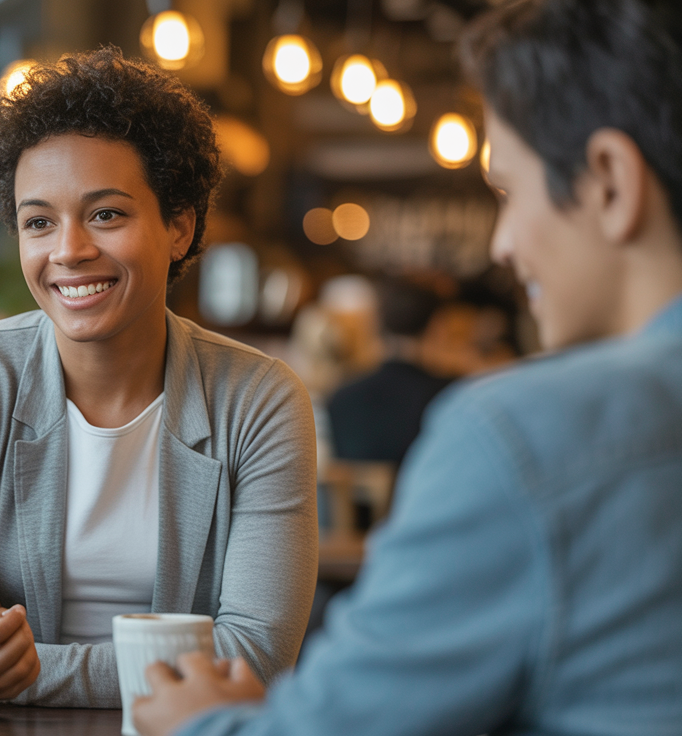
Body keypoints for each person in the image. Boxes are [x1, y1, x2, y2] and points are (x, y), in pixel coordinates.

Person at [133, 1, 682, 734]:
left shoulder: (525, 433)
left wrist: (197, 720)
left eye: (509, 194)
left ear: (609, 181)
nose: (502, 246)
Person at [0, 47, 318, 714]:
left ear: (178, 225)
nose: (68, 250)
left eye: (106, 214)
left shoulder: (257, 399)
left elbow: (255, 655)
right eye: (38, 222)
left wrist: (12, 650)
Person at [326, 278, 452, 466]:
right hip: (420, 495)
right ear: (435, 326)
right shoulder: (447, 397)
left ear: (378, 324)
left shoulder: (341, 398)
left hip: (352, 497)